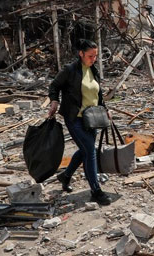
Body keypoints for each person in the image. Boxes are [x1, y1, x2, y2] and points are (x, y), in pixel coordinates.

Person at [47, 39, 111, 206]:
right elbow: (54, 86)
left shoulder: (94, 70)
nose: (93, 59)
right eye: (90, 56)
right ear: (80, 54)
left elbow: (99, 94)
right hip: (74, 118)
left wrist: (105, 108)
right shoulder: (70, 70)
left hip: (93, 119)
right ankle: (96, 191)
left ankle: (65, 176)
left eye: (95, 56)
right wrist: (54, 101)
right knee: (90, 151)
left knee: (84, 150)